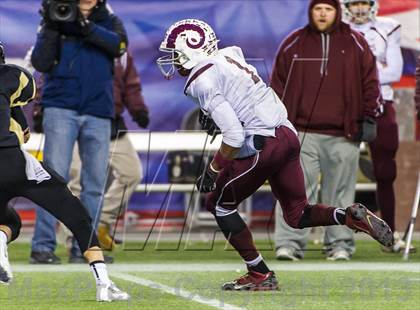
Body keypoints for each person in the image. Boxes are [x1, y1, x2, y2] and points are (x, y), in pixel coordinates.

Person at [156, 18, 392, 290]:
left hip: (261, 143)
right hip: (287, 134)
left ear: (191, 50)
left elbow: (233, 136)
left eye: (175, 54)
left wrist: (213, 169)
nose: (173, 61)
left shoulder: (202, 79)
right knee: (297, 214)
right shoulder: (228, 56)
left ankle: (259, 274)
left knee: (218, 204)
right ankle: (348, 216)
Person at [0, 42, 129, 301]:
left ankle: (1, 243)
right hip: (12, 161)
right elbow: (20, 123)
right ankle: (103, 282)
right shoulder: (12, 76)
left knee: (9, 221)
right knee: (76, 215)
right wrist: (21, 121)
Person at [271, 0, 381, 261]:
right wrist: (275, 124)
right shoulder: (293, 43)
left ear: (337, 12)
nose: (322, 13)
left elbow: (371, 82)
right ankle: (289, 244)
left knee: (340, 194)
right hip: (299, 134)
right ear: (311, 11)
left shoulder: (356, 42)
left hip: (344, 134)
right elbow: (276, 86)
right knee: (293, 192)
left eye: (328, 9)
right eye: (318, 8)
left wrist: (368, 118)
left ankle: (340, 244)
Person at [29, 0, 128, 263]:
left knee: (94, 185)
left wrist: (85, 27)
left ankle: (85, 248)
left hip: (98, 110)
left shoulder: (109, 19)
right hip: (61, 107)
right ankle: (42, 247)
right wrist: (51, 26)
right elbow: (40, 61)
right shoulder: (55, 18)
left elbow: (119, 47)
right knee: (51, 181)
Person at [343, 0, 409, 253]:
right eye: (354, 3)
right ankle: (337, 238)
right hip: (346, 105)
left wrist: (356, 74)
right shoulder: (337, 29)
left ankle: (389, 234)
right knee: (338, 171)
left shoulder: (388, 27)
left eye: (363, 2)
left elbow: (395, 72)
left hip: (382, 104)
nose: (359, 8)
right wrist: (374, 69)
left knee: (385, 171)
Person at [67, 50, 149, 251]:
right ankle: (75, 236)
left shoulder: (119, 52)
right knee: (79, 181)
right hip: (80, 121)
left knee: (131, 174)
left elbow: (130, 86)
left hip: (111, 123)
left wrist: (138, 108)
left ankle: (101, 222)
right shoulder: (71, 44)